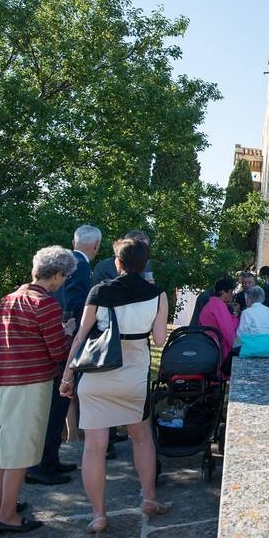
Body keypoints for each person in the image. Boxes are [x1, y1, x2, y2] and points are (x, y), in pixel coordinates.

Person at [59, 238, 169, 534]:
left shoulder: (99, 291)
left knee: (95, 447)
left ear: (117, 263)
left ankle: (98, 514)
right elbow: (159, 340)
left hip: (98, 371)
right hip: (133, 374)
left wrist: (68, 376)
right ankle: (149, 498)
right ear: (144, 264)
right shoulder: (157, 294)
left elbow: (80, 337)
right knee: (142, 438)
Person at [0, 246, 77, 533]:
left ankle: (4, 503)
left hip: (6, 380)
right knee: (19, 452)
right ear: (57, 275)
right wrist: (68, 331)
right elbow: (57, 351)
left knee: (5, 449)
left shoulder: (8, 299)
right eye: (64, 276)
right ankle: (7, 515)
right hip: (30, 383)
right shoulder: (45, 304)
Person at [28, 224, 102, 486]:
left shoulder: (70, 262)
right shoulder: (79, 265)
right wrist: (73, 326)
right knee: (57, 404)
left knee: (57, 407)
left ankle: (50, 460)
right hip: (62, 341)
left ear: (74, 240)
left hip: (51, 340)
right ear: (96, 246)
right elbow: (73, 303)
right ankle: (42, 464)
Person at [198, 277, 240, 367]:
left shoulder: (210, 304)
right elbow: (228, 330)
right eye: (230, 292)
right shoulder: (219, 306)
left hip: (207, 347)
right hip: (219, 351)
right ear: (224, 293)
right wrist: (239, 347)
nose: (232, 295)